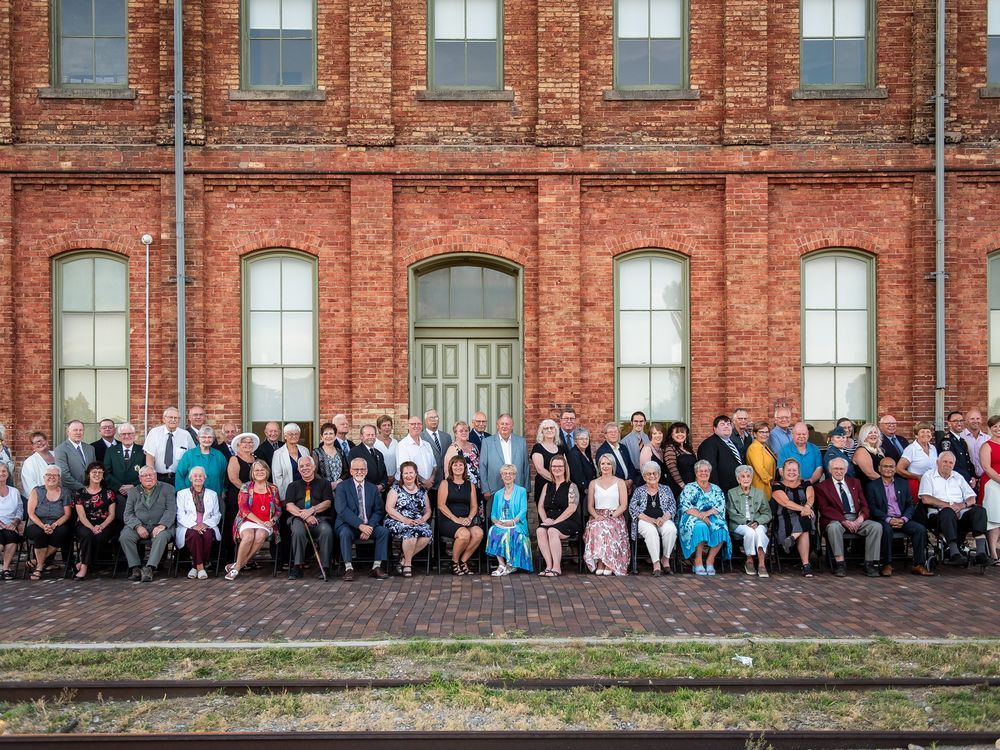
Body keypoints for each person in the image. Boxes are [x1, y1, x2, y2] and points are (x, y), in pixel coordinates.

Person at [918, 451, 991, 567]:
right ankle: (954, 553)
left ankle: (981, 553)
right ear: (937, 462)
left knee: (980, 511)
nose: (947, 464)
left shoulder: (957, 476)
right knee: (948, 512)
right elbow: (926, 498)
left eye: (950, 462)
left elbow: (972, 498)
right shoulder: (928, 476)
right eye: (945, 461)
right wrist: (949, 506)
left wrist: (960, 506)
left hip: (960, 513)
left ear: (954, 465)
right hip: (938, 515)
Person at [814, 457, 882, 577]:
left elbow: (864, 504)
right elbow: (825, 509)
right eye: (835, 469)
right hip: (835, 519)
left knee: (876, 527)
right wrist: (843, 521)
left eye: (841, 469)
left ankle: (870, 563)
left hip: (856, 517)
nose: (838, 471)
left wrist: (860, 518)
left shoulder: (855, 482)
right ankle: (840, 563)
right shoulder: (822, 486)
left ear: (846, 470)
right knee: (834, 528)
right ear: (830, 470)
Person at [864, 456, 932, 576]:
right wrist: (889, 519)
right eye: (885, 466)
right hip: (884, 519)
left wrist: (904, 519)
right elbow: (873, 508)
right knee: (886, 530)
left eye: (891, 467)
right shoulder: (872, 486)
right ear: (879, 468)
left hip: (902, 519)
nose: (888, 469)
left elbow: (910, 504)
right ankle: (887, 564)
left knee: (920, 529)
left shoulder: (903, 484)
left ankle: (918, 565)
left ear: (895, 469)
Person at [334, 457, 389, 580]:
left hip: (368, 525)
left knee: (383, 532)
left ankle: (377, 567)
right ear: (351, 471)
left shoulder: (372, 488)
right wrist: (360, 525)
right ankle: (348, 568)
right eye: (356, 469)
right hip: (348, 525)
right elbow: (342, 510)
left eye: (362, 469)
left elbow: (378, 510)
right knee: (345, 533)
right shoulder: (342, 487)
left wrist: (369, 526)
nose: (359, 472)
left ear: (366, 471)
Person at [226, 460, 282, 580]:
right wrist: (259, 522)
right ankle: (239, 566)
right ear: (252, 472)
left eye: (262, 470)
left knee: (260, 535)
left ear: (267, 471)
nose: (260, 472)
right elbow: (243, 509)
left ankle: (237, 567)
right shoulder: (245, 487)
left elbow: (278, 510)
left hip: (266, 523)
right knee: (248, 537)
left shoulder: (273, 488)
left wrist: (272, 521)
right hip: (247, 521)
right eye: (257, 470)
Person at [120, 466, 176, 583]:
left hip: (161, 525)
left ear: (156, 476)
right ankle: (135, 568)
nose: (149, 477)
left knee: (160, 537)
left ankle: (149, 568)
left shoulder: (168, 489)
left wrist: (162, 525)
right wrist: (138, 526)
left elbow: (171, 510)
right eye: (145, 475)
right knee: (125, 536)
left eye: (151, 475)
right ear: (140, 478)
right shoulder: (134, 492)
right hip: (140, 525)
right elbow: (128, 514)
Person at [677, 460, 731, 575]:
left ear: (710, 473)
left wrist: (708, 513)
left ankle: (710, 560)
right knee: (700, 526)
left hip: (712, 515)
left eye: (706, 471)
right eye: (700, 471)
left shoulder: (716, 488)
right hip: (692, 516)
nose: (703, 473)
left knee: (721, 527)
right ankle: (698, 560)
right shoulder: (689, 488)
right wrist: (701, 516)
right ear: (696, 473)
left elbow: (720, 505)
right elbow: (685, 506)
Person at [285, 455, 335, 579]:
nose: (305, 468)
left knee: (326, 531)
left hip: (320, 518)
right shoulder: (293, 485)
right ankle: (298, 567)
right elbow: (289, 506)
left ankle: (325, 567)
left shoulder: (324, 483)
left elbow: (327, 503)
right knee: (297, 531)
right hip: (298, 519)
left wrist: (312, 510)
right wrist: (306, 516)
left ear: (313, 467)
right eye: (301, 466)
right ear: (298, 469)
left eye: (308, 465)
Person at [583, 454, 630, 576]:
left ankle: (609, 563)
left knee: (608, 527)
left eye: (608, 463)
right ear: (599, 466)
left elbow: (623, 505)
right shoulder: (593, 483)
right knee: (597, 526)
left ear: (613, 466)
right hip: (597, 515)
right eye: (602, 463)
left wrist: (612, 516)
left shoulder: (620, 482)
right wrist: (597, 516)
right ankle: (600, 562)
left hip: (615, 515)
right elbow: (590, 506)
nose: (605, 466)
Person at [384, 460, 432, 577]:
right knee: (410, 531)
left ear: (416, 474)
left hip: (417, 521)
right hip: (397, 520)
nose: (408, 475)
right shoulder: (396, 489)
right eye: (405, 473)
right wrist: (405, 520)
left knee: (427, 533)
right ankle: (407, 565)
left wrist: (423, 520)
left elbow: (428, 510)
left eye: (411, 473)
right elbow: (389, 508)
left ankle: (403, 559)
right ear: (401, 475)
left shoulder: (422, 491)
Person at [437, 455, 483, 575]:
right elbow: (441, 505)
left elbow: (474, 506)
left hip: (465, 519)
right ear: (451, 467)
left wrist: (469, 518)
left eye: (461, 465)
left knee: (478, 533)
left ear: (464, 467)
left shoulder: (470, 485)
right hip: (448, 520)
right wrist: (455, 519)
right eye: (455, 465)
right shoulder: (445, 483)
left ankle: (463, 561)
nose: (458, 467)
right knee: (464, 534)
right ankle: (454, 562)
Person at [628, 461, 677, 575]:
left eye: (655, 473)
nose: (652, 476)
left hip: (663, 520)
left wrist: (663, 519)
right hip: (645, 521)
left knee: (671, 529)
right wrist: (651, 520)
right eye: (648, 474)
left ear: (659, 475)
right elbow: (633, 509)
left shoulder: (666, 489)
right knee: (651, 531)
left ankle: (665, 559)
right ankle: (656, 563)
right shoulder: (639, 491)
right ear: (644, 477)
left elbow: (672, 507)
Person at [536, 453, 581, 577]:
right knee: (540, 530)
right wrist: (545, 520)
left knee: (552, 531)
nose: (557, 468)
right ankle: (549, 566)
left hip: (569, 520)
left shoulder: (571, 486)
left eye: (560, 466)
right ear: (550, 468)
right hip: (551, 520)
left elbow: (572, 508)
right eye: (554, 466)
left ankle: (557, 567)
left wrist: (555, 522)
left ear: (565, 468)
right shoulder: (547, 485)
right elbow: (540, 506)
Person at [25, 465, 73, 580]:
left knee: (61, 532)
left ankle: (38, 564)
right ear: (44, 477)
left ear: (59, 478)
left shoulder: (65, 492)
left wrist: (55, 524)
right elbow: (31, 513)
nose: (52, 477)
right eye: (48, 475)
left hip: (57, 524)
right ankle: (41, 564)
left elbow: (67, 514)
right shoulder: (36, 491)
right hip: (36, 524)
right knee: (40, 533)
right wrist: (43, 526)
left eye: (55, 475)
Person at [174, 466, 222, 580]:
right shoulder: (182, 494)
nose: (198, 478)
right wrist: (194, 526)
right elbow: (180, 515)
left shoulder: (212, 494)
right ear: (190, 478)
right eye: (195, 476)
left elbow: (217, 514)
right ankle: (201, 567)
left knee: (208, 535)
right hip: (189, 526)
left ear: (204, 478)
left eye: (200, 476)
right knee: (194, 535)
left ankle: (195, 566)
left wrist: (205, 525)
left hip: (207, 525)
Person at [72, 462, 117, 580]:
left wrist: (101, 526)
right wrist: (92, 528)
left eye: (100, 472)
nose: (97, 474)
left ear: (103, 476)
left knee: (99, 537)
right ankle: (84, 567)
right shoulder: (80, 493)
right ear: (88, 475)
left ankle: (83, 562)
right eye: (94, 472)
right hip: (85, 524)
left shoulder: (109, 493)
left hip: (105, 524)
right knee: (87, 535)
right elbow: (81, 516)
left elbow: (111, 515)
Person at [771, 458, 816, 577]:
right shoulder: (777, 486)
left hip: (805, 515)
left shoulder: (806, 484)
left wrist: (807, 506)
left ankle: (792, 538)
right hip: (786, 520)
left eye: (794, 470)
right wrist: (805, 509)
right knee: (805, 526)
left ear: (799, 471)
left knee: (805, 520)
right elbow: (786, 502)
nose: (792, 472)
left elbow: (811, 497)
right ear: (783, 471)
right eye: (789, 470)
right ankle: (806, 565)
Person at [486, 463, 532, 575]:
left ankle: (511, 564)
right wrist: (496, 521)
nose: (508, 476)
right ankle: (501, 564)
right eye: (505, 473)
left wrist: (513, 521)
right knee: (493, 530)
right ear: (501, 476)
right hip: (502, 523)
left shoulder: (521, 491)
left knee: (512, 532)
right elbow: (493, 514)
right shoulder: (497, 494)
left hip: (517, 523)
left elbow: (523, 510)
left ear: (515, 476)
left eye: (510, 473)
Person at [727, 465, 772, 577]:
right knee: (750, 532)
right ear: (738, 479)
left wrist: (757, 522)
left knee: (760, 532)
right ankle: (749, 560)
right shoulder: (731, 493)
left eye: (748, 476)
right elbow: (731, 513)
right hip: (739, 524)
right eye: (743, 476)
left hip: (757, 523)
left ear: (751, 478)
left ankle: (762, 564)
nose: (746, 479)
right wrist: (747, 522)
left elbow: (767, 513)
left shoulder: (759, 493)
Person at [479, 414, 531, 500]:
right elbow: (482, 467)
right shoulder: (487, 442)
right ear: (497, 425)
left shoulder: (521, 442)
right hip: (494, 489)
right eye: (502, 424)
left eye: (507, 424)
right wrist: (485, 489)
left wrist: (527, 488)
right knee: (496, 513)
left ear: (512, 426)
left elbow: (526, 467)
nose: (504, 426)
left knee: (517, 513)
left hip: (517, 487)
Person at [225, 432, 259, 561]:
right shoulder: (234, 459)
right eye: (245, 442)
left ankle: (248, 559)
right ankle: (235, 559)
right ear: (238, 445)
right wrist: (248, 491)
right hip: (238, 498)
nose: (248, 444)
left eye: (250, 442)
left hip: (254, 498)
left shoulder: (256, 459)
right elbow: (233, 479)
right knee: (237, 527)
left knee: (251, 527)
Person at [144, 407, 194, 485]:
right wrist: (152, 477)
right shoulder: (154, 433)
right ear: (164, 419)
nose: (173, 420)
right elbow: (150, 457)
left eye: (176, 418)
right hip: (158, 477)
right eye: (170, 417)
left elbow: (191, 456)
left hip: (179, 478)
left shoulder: (185, 435)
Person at [175, 426, 228, 497]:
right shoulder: (189, 455)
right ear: (198, 438)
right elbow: (179, 474)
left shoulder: (219, 456)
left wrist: (223, 491)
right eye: (203, 437)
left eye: (210, 437)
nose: (207, 440)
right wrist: (182, 493)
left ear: (213, 439)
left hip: (214, 496)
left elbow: (224, 475)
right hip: (191, 497)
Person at [696, 415, 743, 494]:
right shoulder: (708, 444)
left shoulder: (734, 443)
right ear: (715, 428)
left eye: (728, 424)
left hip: (736, 488)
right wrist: (716, 491)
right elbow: (710, 470)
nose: (726, 426)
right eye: (722, 424)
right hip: (721, 490)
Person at [979, 414, 1000, 565]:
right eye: (995, 427)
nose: (998, 429)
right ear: (990, 429)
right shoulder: (987, 445)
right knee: (994, 520)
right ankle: (993, 554)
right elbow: (986, 467)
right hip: (992, 484)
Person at [896, 421, 938, 499]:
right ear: (916, 435)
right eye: (922, 432)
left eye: (928, 431)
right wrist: (917, 477)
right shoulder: (911, 449)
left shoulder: (933, 448)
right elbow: (899, 469)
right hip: (917, 485)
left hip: (932, 485)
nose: (926, 434)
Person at [442, 420, 482, 498]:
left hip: (477, 487)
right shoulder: (452, 449)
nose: (464, 432)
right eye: (461, 431)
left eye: (466, 430)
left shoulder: (474, 446)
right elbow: (447, 472)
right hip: (461, 489)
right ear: (456, 434)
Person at [53, 419, 96, 493]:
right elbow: (64, 475)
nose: (78, 433)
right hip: (71, 493)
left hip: (91, 491)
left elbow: (95, 470)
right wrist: (83, 488)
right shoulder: (60, 449)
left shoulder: (90, 448)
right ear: (67, 432)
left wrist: (93, 487)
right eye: (75, 430)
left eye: (81, 430)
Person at [104, 423, 144, 500]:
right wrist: (119, 487)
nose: (127, 436)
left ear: (134, 434)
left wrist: (133, 486)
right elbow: (106, 472)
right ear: (119, 436)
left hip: (138, 493)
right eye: (123, 434)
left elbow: (145, 472)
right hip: (116, 494)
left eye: (130, 433)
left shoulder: (142, 451)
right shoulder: (111, 451)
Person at [270, 423, 310, 501]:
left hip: (306, 490)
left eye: (296, 434)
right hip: (288, 493)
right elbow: (277, 477)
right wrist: (282, 498)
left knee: (305, 511)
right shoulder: (278, 453)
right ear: (285, 436)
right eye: (290, 434)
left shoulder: (305, 450)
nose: (294, 436)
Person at [936, 411, 976, 487]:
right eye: (955, 421)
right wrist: (968, 478)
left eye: (961, 420)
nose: (959, 423)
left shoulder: (962, 441)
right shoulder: (946, 441)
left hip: (965, 480)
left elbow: (967, 462)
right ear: (949, 423)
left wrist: (973, 476)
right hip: (955, 482)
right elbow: (950, 464)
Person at [396, 416, 437, 489]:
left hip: (429, 487)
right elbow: (406, 468)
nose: (416, 426)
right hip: (411, 488)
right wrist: (424, 481)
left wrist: (431, 480)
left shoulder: (427, 445)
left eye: (419, 424)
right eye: (413, 424)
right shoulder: (402, 445)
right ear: (408, 426)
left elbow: (434, 466)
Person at [531, 418, 566, 503]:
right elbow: (540, 469)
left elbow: (566, 467)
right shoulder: (538, 447)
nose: (549, 430)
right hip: (544, 485)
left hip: (560, 487)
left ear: (556, 430)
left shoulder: (561, 448)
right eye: (546, 428)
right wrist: (557, 481)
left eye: (551, 428)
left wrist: (562, 484)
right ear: (542, 432)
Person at [348, 424, 390, 495]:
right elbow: (355, 473)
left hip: (379, 494)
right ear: (361, 436)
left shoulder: (379, 453)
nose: (371, 437)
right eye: (368, 435)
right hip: (363, 493)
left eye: (372, 435)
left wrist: (382, 485)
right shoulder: (354, 452)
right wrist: (373, 487)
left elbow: (384, 474)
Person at [595, 421, 636, 489]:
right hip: (613, 488)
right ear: (605, 435)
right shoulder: (602, 452)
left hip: (629, 486)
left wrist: (630, 480)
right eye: (610, 432)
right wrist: (623, 483)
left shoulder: (623, 447)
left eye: (615, 431)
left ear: (619, 433)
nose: (613, 434)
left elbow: (630, 465)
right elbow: (605, 472)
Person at [662, 421, 696, 501]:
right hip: (678, 487)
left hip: (691, 486)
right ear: (671, 435)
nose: (680, 434)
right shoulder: (670, 448)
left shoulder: (688, 449)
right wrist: (683, 486)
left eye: (682, 432)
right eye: (677, 432)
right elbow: (673, 469)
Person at [0, 464, 23, 579]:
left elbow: (20, 509)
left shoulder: (14, 492)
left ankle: (5, 569)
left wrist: (15, 522)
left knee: (12, 539)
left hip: (10, 526)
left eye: (4, 471)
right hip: (1, 525)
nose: (1, 473)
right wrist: (2, 524)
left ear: (8, 474)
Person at [745, 421, 777, 500]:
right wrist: (771, 481)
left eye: (767, 432)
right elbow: (760, 469)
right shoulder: (755, 448)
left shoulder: (763, 446)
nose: (765, 434)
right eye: (761, 432)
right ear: (755, 434)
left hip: (765, 486)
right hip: (760, 486)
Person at [421, 409, 452, 490]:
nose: (434, 420)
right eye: (431, 418)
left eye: (436, 417)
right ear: (425, 420)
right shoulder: (420, 437)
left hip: (446, 481)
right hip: (429, 482)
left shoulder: (447, 437)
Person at [21, 432, 55, 499]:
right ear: (33, 446)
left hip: (59, 496)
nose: (39, 443)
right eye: (35, 442)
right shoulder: (29, 462)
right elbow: (30, 484)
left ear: (46, 441)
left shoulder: (57, 454)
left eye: (40, 440)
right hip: (40, 500)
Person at [852, 423, 884, 493]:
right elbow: (870, 474)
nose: (873, 434)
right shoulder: (861, 451)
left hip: (879, 487)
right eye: (870, 433)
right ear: (864, 436)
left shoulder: (878, 450)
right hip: (868, 489)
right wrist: (887, 483)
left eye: (875, 432)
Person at [314, 422, 345, 492]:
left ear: (335, 436)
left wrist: (337, 482)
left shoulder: (341, 452)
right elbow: (314, 472)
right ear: (321, 436)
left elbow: (346, 471)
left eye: (331, 433)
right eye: (325, 434)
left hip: (340, 489)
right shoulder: (316, 452)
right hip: (323, 489)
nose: (328, 436)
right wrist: (328, 484)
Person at [568, 428, 598, 500]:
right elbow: (577, 476)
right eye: (581, 439)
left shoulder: (586, 452)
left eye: (586, 438)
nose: (584, 441)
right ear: (575, 441)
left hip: (591, 489)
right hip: (582, 493)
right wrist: (586, 489)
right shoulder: (574, 454)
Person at [962, 409, 988, 485]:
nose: (975, 421)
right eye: (972, 419)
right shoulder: (960, 437)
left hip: (984, 478)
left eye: (978, 418)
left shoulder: (988, 439)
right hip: (966, 479)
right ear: (966, 421)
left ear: (982, 420)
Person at [373, 415, 399, 481]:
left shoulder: (395, 442)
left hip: (394, 479)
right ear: (379, 428)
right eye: (384, 425)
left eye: (389, 425)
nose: (387, 427)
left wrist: (394, 476)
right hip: (379, 480)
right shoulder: (374, 443)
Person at [332, 413, 355, 478]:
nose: (346, 426)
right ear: (334, 426)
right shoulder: (329, 444)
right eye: (342, 424)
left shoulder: (352, 444)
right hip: (337, 481)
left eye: (347, 424)